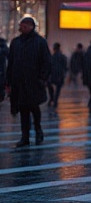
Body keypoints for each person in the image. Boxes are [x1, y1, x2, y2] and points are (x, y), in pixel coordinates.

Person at [7, 16, 50, 146]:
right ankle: (25, 137)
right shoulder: (16, 42)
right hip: (19, 83)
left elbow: (47, 62)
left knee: (34, 108)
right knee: (23, 110)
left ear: (31, 26)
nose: (22, 27)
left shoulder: (40, 42)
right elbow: (11, 63)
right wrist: (8, 82)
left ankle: (38, 131)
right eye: (21, 25)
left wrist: (42, 79)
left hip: (33, 83)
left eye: (24, 25)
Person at [47, 42, 67, 109]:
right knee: (58, 90)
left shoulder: (51, 57)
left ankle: (52, 99)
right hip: (59, 75)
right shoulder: (62, 57)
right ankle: (55, 101)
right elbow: (65, 67)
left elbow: (48, 66)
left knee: (50, 88)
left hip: (52, 75)